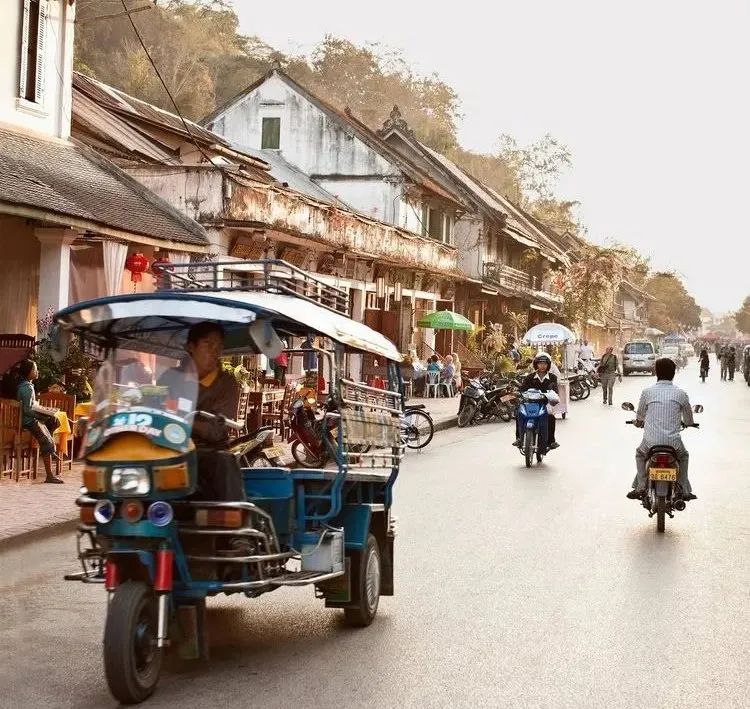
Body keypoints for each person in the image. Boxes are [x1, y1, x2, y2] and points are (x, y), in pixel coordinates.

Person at [159, 322, 242, 500]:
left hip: (206, 453)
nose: (214, 351)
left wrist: (181, 419)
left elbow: (216, 431)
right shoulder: (169, 377)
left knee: (225, 461)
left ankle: (234, 521)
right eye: (208, 344)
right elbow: (154, 405)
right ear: (191, 347)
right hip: (168, 449)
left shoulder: (227, 384)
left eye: (219, 346)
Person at [626, 357, 696, 502]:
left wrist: (638, 423)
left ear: (656, 371)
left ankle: (640, 486)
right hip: (673, 444)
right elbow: (689, 420)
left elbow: (640, 418)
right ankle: (683, 489)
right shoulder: (681, 394)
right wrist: (688, 424)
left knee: (640, 454)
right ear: (673, 373)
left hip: (650, 443)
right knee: (683, 456)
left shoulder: (647, 392)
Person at [16, 360, 64, 483]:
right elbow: (27, 410)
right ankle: (49, 474)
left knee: (54, 421)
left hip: (28, 419)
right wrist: (42, 415)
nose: (37, 371)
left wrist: (43, 412)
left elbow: (30, 405)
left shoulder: (24, 385)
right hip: (28, 421)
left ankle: (50, 448)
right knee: (46, 436)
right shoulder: (27, 388)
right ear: (28, 372)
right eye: (34, 369)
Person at [513, 352, 559, 450]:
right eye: (540, 363)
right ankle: (519, 438)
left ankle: (551, 441)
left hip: (545, 403)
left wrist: (552, 396)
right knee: (519, 414)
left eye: (545, 364)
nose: (542, 366)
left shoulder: (552, 378)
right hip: (530, 403)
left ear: (548, 365)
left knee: (550, 417)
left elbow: (555, 391)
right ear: (536, 364)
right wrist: (518, 392)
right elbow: (522, 389)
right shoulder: (530, 377)